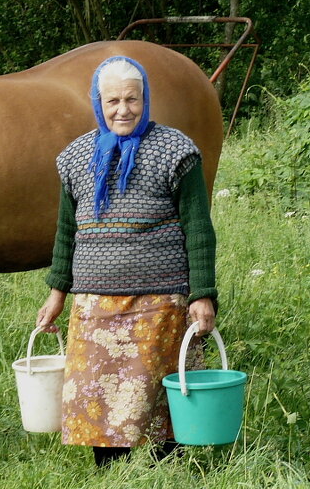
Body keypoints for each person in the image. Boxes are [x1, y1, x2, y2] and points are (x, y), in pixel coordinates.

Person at [35, 55, 218, 467]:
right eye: (113, 100)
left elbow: (199, 229)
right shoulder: (75, 157)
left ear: (145, 98)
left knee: (159, 393)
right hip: (95, 306)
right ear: (98, 103)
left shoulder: (176, 151)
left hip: (160, 303)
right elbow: (68, 232)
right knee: (99, 395)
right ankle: (111, 477)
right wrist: (56, 292)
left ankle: (167, 474)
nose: (123, 110)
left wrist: (202, 294)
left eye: (132, 99)